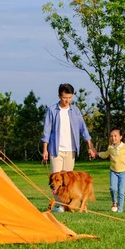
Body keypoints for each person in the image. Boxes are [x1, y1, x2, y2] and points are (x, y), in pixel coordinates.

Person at [42, 83, 97, 212]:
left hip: (70, 150)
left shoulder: (75, 111)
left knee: (67, 182)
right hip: (56, 150)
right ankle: (58, 205)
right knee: (55, 180)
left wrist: (90, 146)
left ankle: (66, 206)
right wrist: (45, 149)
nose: (67, 100)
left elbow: (83, 129)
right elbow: (46, 131)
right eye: (65, 97)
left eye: (70, 98)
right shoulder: (52, 110)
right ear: (59, 96)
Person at [97, 128, 125, 213]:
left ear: (120, 137)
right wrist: (97, 154)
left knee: (121, 191)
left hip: (123, 172)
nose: (113, 138)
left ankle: (120, 210)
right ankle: (114, 202)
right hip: (113, 172)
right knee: (113, 188)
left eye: (115, 136)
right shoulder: (110, 148)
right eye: (111, 136)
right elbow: (105, 155)